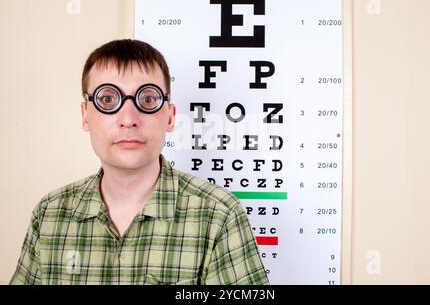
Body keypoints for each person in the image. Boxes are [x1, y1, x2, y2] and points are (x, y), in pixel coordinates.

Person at [10, 39, 269, 285]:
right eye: (108, 99)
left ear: (169, 117)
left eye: (147, 99)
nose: (128, 119)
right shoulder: (50, 215)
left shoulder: (219, 215)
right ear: (85, 116)